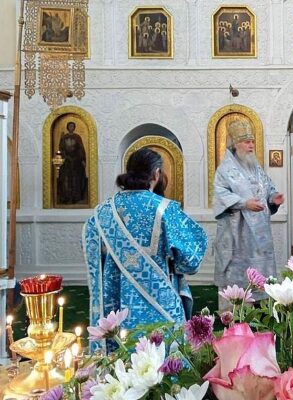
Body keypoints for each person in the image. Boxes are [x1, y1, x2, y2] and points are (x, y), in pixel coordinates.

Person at [82, 148, 208, 351]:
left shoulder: (104, 211)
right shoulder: (165, 209)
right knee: (166, 353)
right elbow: (190, 259)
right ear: (156, 173)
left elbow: (93, 248)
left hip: (118, 294)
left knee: (125, 355)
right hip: (162, 296)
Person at [213, 120, 284, 309]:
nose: (251, 145)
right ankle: (234, 312)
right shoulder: (225, 170)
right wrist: (244, 203)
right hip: (237, 232)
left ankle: (263, 309)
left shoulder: (256, 167)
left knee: (260, 273)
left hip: (259, 235)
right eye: (246, 142)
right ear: (236, 145)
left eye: (252, 141)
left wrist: (272, 198)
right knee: (237, 277)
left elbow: (267, 187)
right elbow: (221, 195)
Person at [57, 122, 87, 205]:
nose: (71, 127)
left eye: (73, 126)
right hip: (66, 161)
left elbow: (80, 149)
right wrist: (65, 156)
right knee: (66, 179)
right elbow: (61, 148)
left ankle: (75, 197)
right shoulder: (64, 137)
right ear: (67, 127)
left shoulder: (77, 137)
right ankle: (66, 197)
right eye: (70, 126)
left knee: (75, 179)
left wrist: (82, 160)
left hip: (76, 161)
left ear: (74, 127)